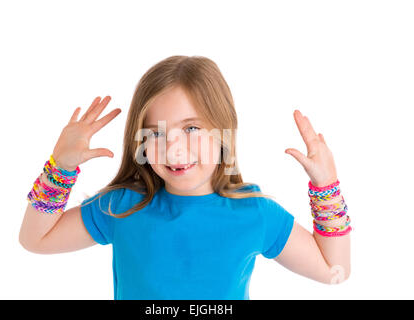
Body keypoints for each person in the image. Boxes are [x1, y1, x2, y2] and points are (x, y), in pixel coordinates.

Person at [19, 55, 351, 300]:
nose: (174, 149)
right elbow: (35, 240)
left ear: (222, 132)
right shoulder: (121, 207)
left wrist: (327, 187)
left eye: (191, 128)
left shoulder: (254, 213)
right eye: (156, 133)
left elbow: (333, 271)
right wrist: (59, 169)